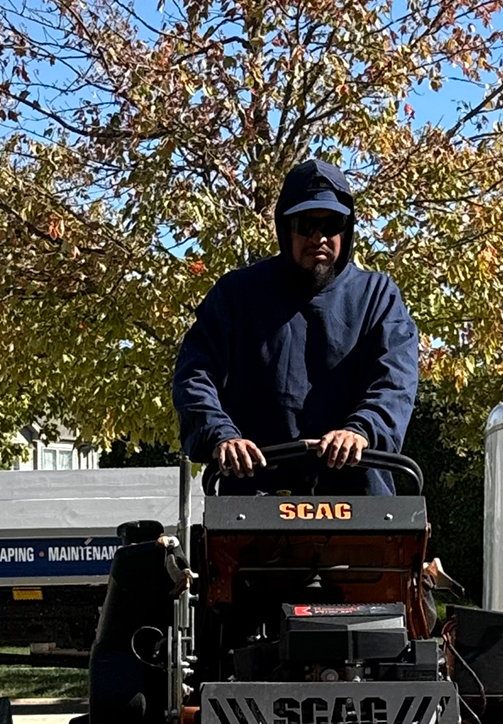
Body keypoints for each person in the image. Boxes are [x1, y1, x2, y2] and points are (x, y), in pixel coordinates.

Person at [172, 159, 419, 496]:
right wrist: (222, 436)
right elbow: (195, 375)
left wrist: (361, 431)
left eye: (331, 224)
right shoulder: (235, 295)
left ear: (346, 230)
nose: (318, 237)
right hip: (254, 503)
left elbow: (395, 382)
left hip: (358, 507)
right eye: (305, 225)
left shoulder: (378, 297)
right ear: (285, 228)